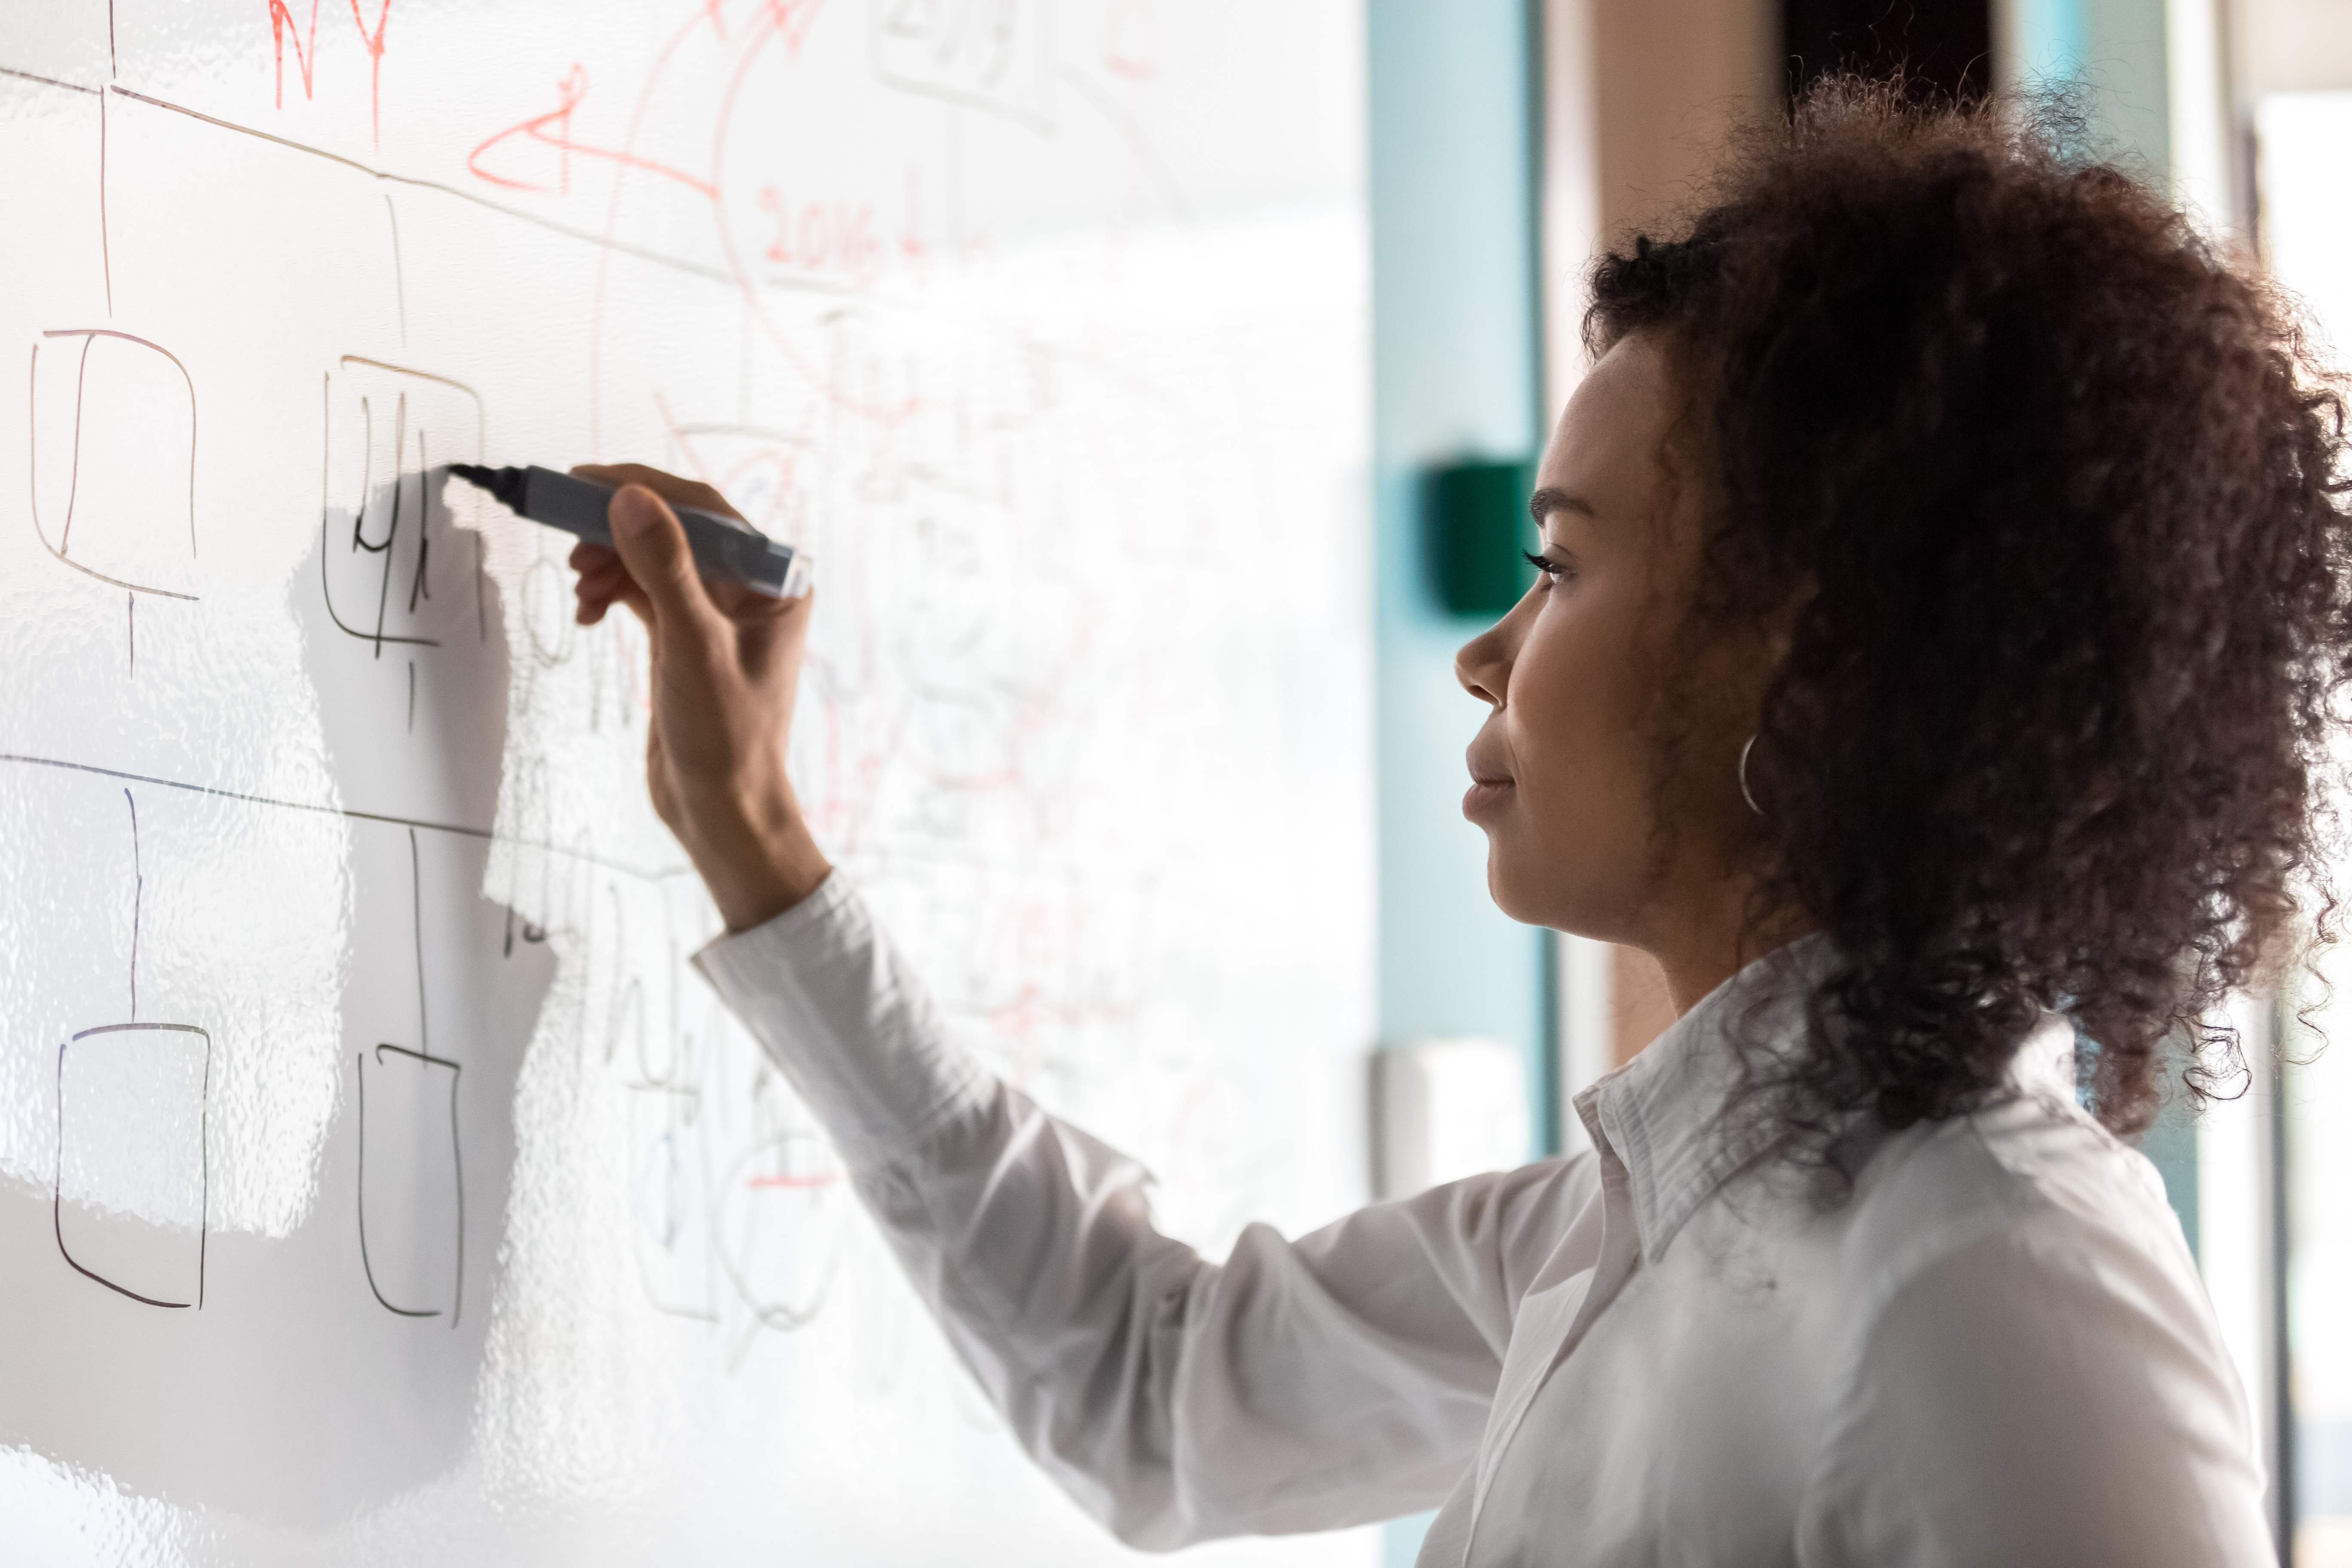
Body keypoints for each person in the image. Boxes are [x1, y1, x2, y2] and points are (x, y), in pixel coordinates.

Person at [567, 83, 2342, 1565]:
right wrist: (757, 842)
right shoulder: (1621, 1222)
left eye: (1562, 565)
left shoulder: (1995, 1281)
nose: (1489, 651)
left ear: (1815, 652)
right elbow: (1151, 1380)